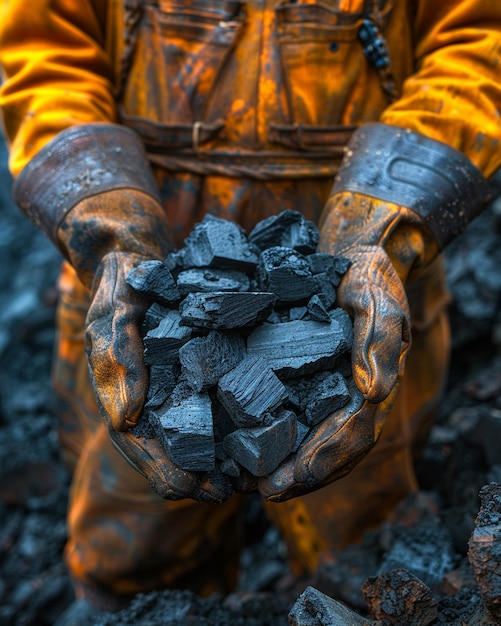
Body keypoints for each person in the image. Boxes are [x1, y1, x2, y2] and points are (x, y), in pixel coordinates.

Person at [1, 0, 500, 621]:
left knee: (364, 549)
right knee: (133, 555)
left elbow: (480, 43)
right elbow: (44, 54)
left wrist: (380, 228)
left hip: (362, 271)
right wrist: (109, 230)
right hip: (144, 273)